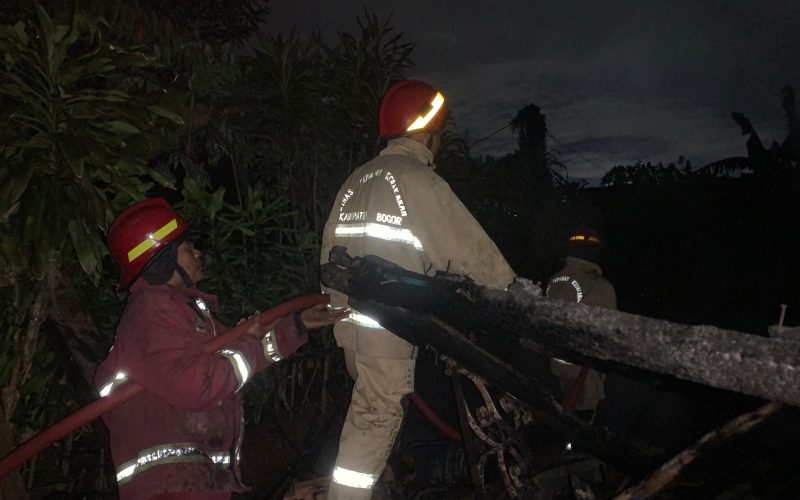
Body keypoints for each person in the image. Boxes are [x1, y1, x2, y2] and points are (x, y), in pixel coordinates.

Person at [320, 79, 516, 499]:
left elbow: (329, 257)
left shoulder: (356, 179)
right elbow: (474, 256)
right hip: (387, 332)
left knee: (373, 421)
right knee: (373, 423)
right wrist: (516, 297)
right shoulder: (417, 181)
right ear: (426, 130)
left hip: (351, 330)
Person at [94, 197, 348, 500]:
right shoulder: (152, 312)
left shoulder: (182, 313)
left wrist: (296, 325)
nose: (198, 252)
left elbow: (243, 356)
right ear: (162, 262)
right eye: (187, 247)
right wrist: (248, 342)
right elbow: (198, 385)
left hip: (193, 484)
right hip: (171, 488)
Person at [546, 225, 617, 417]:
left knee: (560, 413)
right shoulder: (600, 286)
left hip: (557, 364)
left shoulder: (555, 279)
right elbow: (609, 332)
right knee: (582, 421)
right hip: (583, 371)